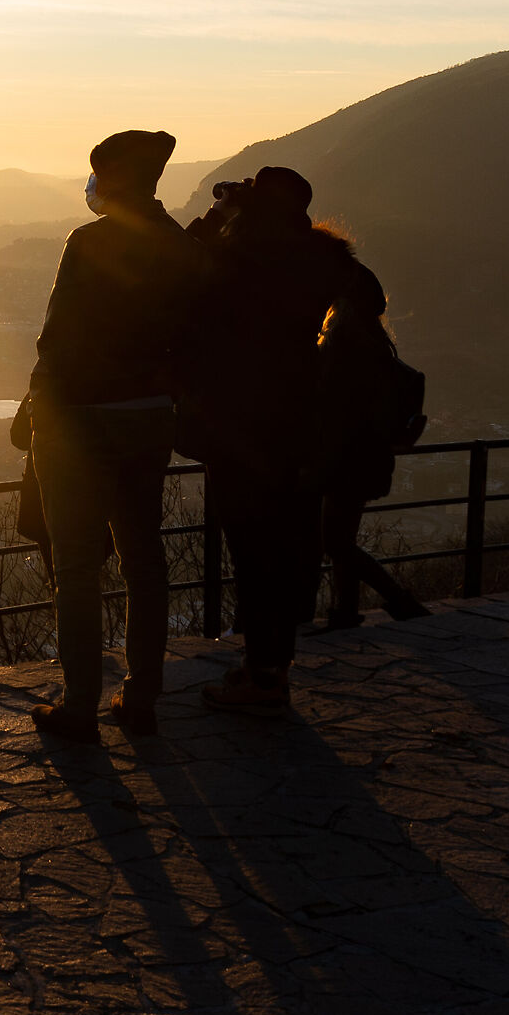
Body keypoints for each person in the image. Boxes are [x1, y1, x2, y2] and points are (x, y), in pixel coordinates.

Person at [23, 129, 208, 745]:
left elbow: (57, 335)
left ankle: (80, 706)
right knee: (143, 558)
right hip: (149, 415)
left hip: (77, 415)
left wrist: (42, 403)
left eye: (97, 174)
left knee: (76, 565)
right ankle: (142, 695)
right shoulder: (182, 247)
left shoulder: (89, 242)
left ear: (111, 179)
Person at [182, 166, 382, 717]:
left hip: (237, 421)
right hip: (299, 420)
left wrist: (214, 218)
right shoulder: (324, 259)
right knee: (288, 545)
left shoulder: (235, 256)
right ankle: (273, 666)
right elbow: (369, 294)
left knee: (251, 551)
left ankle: (263, 676)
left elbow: (176, 269)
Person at [314, 285, 431, 629]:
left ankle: (398, 599)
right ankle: (345, 610)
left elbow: (330, 407)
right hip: (371, 457)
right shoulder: (378, 349)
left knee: (335, 541)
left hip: (344, 458)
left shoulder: (339, 348)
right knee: (342, 539)